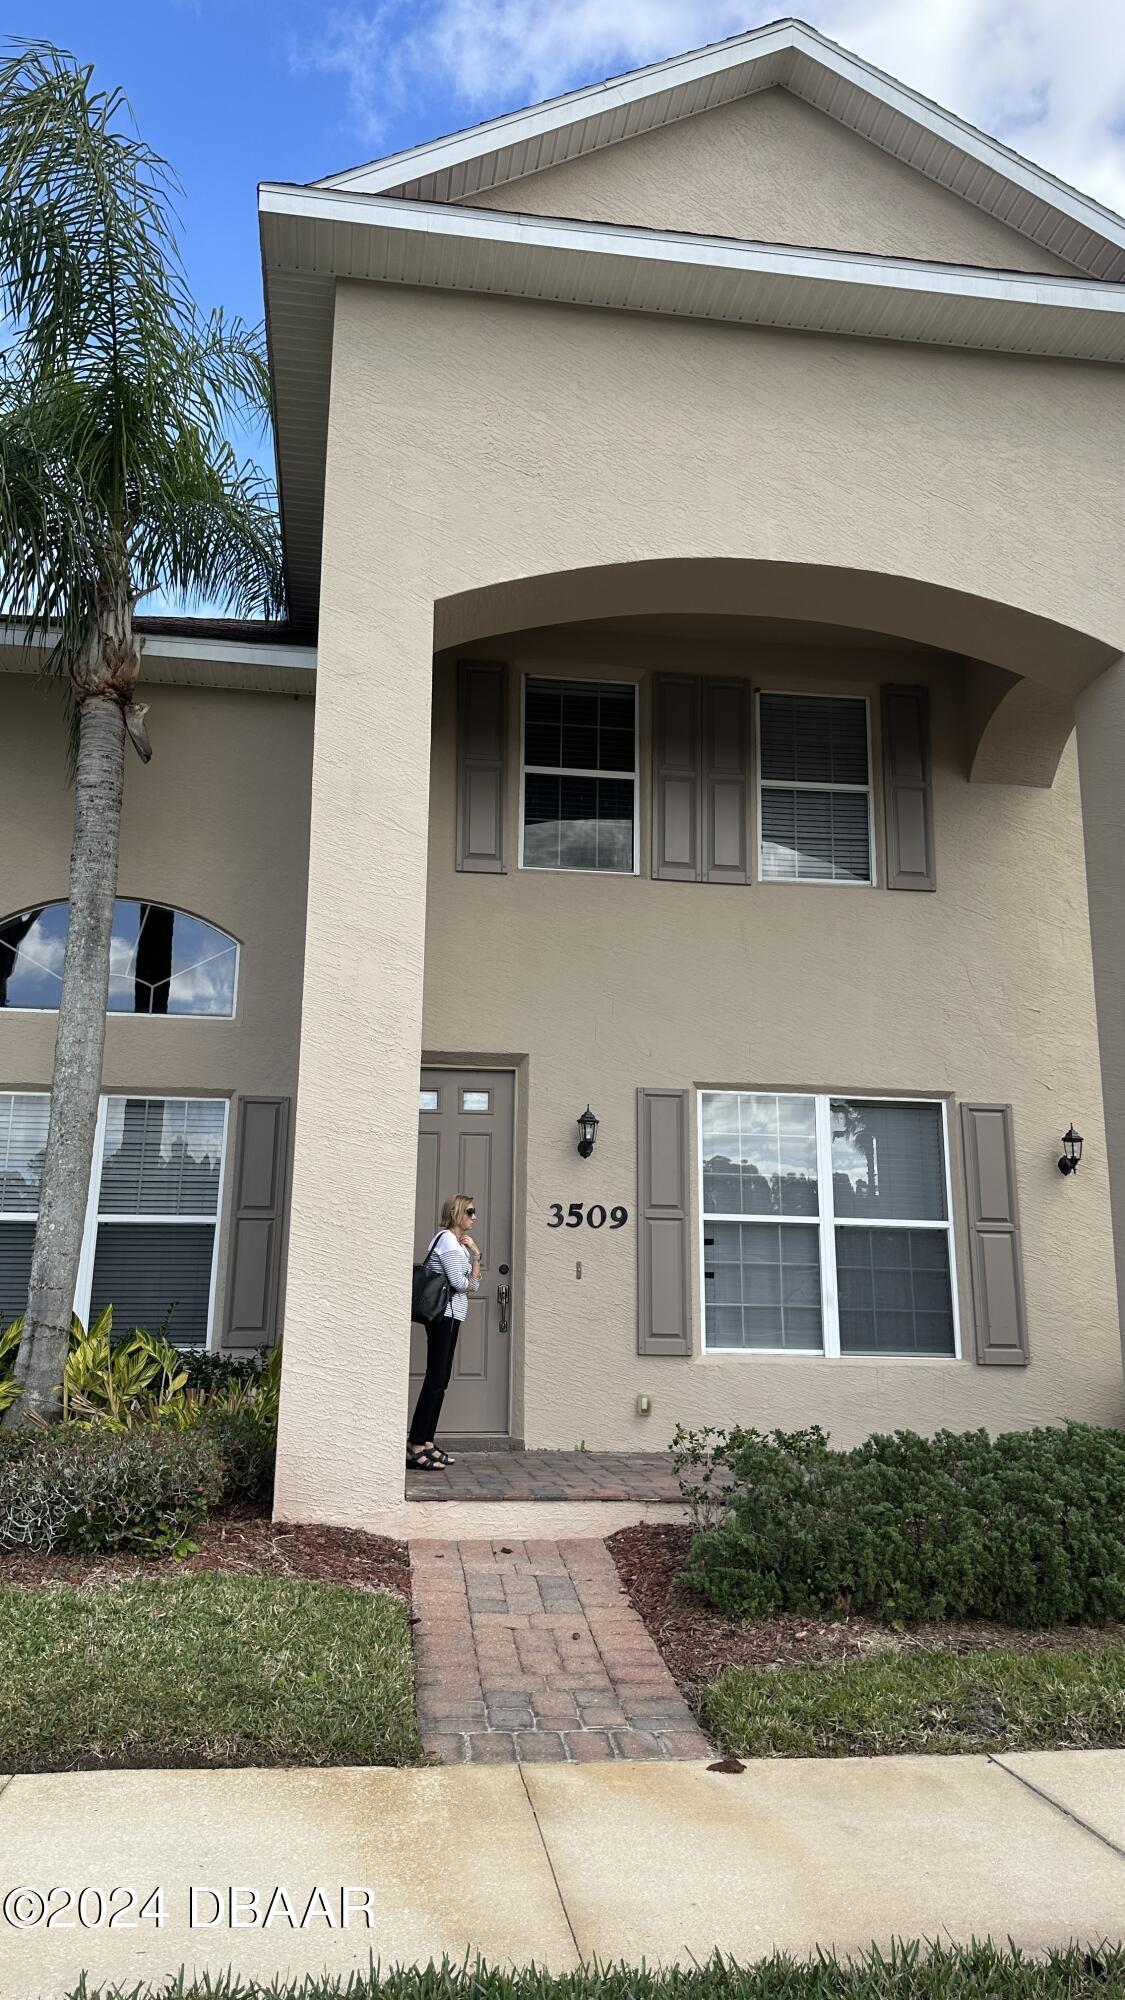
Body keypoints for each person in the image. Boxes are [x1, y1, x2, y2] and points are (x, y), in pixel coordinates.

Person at [407, 1193, 481, 1469]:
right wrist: (474, 1263)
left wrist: (475, 1254)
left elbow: (471, 1284)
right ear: (457, 1212)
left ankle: (426, 1441)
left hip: (452, 1316)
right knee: (435, 1380)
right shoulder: (448, 1242)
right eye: (470, 1212)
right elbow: (463, 1285)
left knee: (441, 1381)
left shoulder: (458, 1244)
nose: (474, 1217)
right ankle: (415, 1445)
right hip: (443, 1316)